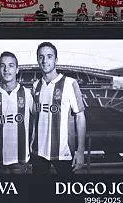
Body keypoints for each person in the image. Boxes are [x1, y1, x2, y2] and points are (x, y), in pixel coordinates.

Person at [30, 42, 87, 175]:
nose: (45, 61)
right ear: (38, 60)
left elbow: (80, 117)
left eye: (49, 56)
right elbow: (34, 118)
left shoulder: (70, 83)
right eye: (41, 57)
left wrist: (80, 150)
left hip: (64, 153)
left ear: (56, 60)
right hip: (38, 152)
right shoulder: (35, 85)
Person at [0, 52, 34, 174]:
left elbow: (36, 121)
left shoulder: (28, 94)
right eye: (3, 66)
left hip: (20, 160)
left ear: (17, 70)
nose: (6, 69)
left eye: (11, 65)